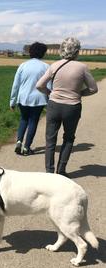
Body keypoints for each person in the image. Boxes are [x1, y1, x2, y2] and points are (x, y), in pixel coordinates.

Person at [36, 37, 98, 177]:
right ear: (77, 51)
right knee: (68, 138)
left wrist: (50, 92)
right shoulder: (82, 67)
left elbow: (39, 85)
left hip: (54, 106)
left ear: (61, 49)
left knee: (50, 139)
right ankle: (61, 171)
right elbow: (94, 89)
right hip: (72, 107)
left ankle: (49, 172)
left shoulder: (54, 65)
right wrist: (79, 93)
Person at [9, 42, 49, 156]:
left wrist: (12, 101)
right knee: (33, 122)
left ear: (30, 52)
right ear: (43, 53)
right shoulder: (46, 67)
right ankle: (27, 147)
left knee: (23, 119)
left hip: (23, 98)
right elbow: (49, 85)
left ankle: (19, 141)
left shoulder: (23, 65)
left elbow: (15, 85)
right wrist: (49, 101)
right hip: (39, 99)